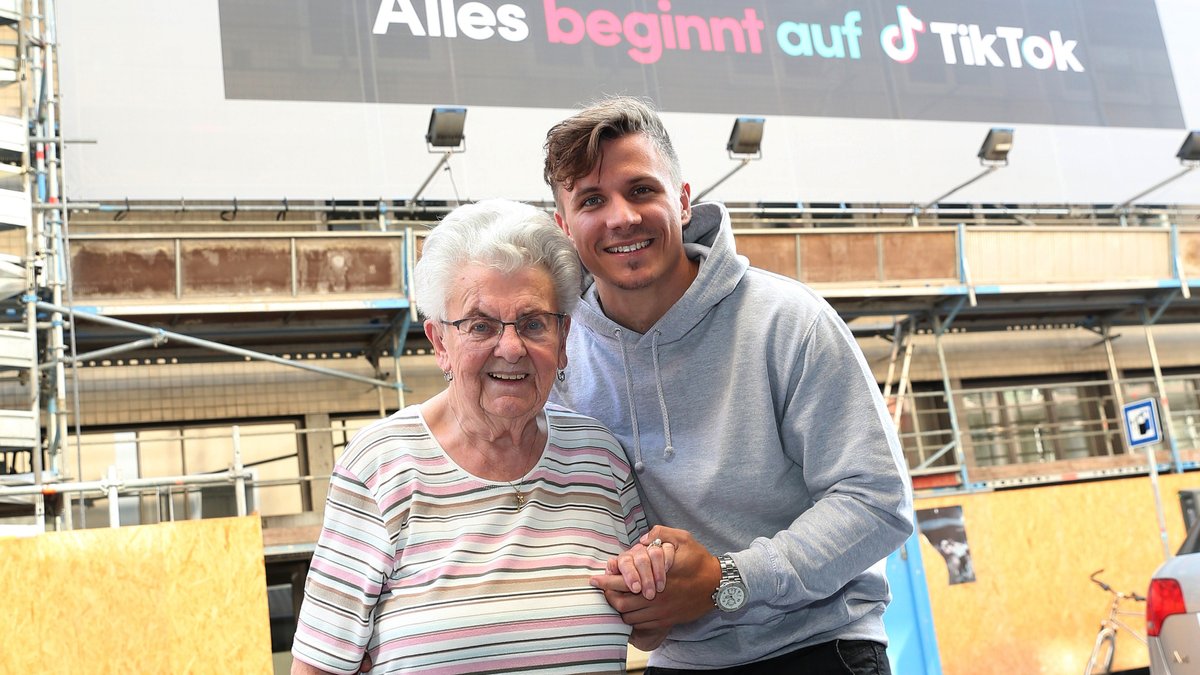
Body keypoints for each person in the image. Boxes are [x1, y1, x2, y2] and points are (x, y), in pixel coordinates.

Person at [543, 96, 915, 673]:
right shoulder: (559, 361)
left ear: (683, 200)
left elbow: (877, 502)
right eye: (592, 200)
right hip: (679, 661)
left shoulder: (789, 320)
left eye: (641, 190)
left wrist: (728, 580)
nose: (621, 217)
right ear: (565, 227)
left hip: (817, 648)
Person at [291, 199, 673, 674]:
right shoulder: (379, 467)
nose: (511, 348)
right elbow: (318, 667)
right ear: (439, 343)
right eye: (480, 326)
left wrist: (652, 583)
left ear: (563, 338)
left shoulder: (599, 458)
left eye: (533, 323)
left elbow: (647, 625)